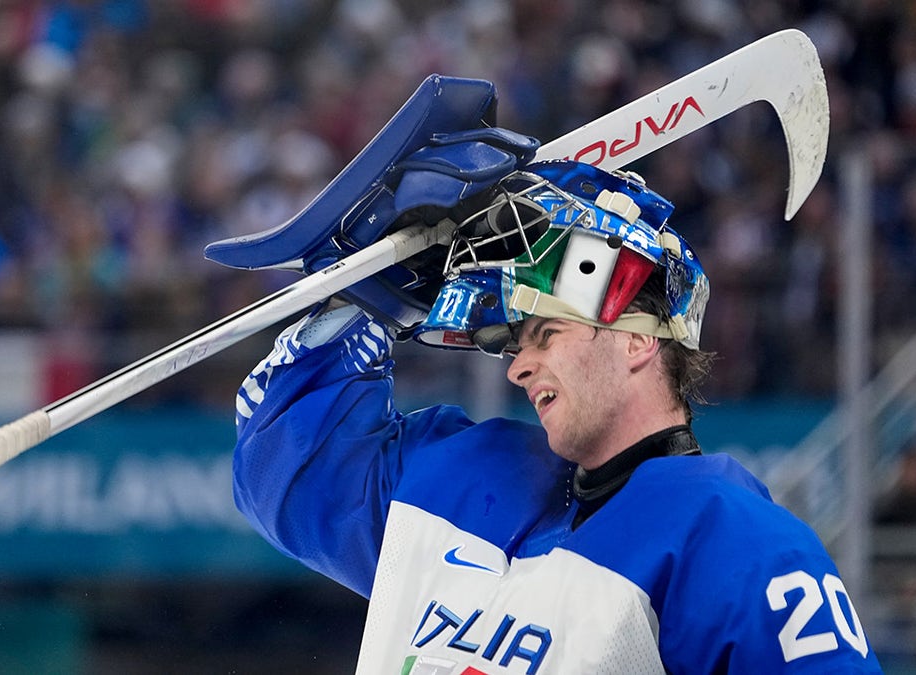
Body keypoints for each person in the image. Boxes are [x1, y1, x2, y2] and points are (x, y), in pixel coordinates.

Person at [218, 155, 882, 673]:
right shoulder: (459, 479)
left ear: (636, 336)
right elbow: (286, 469)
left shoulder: (739, 541)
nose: (516, 365)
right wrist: (363, 302)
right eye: (514, 343)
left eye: (545, 334)